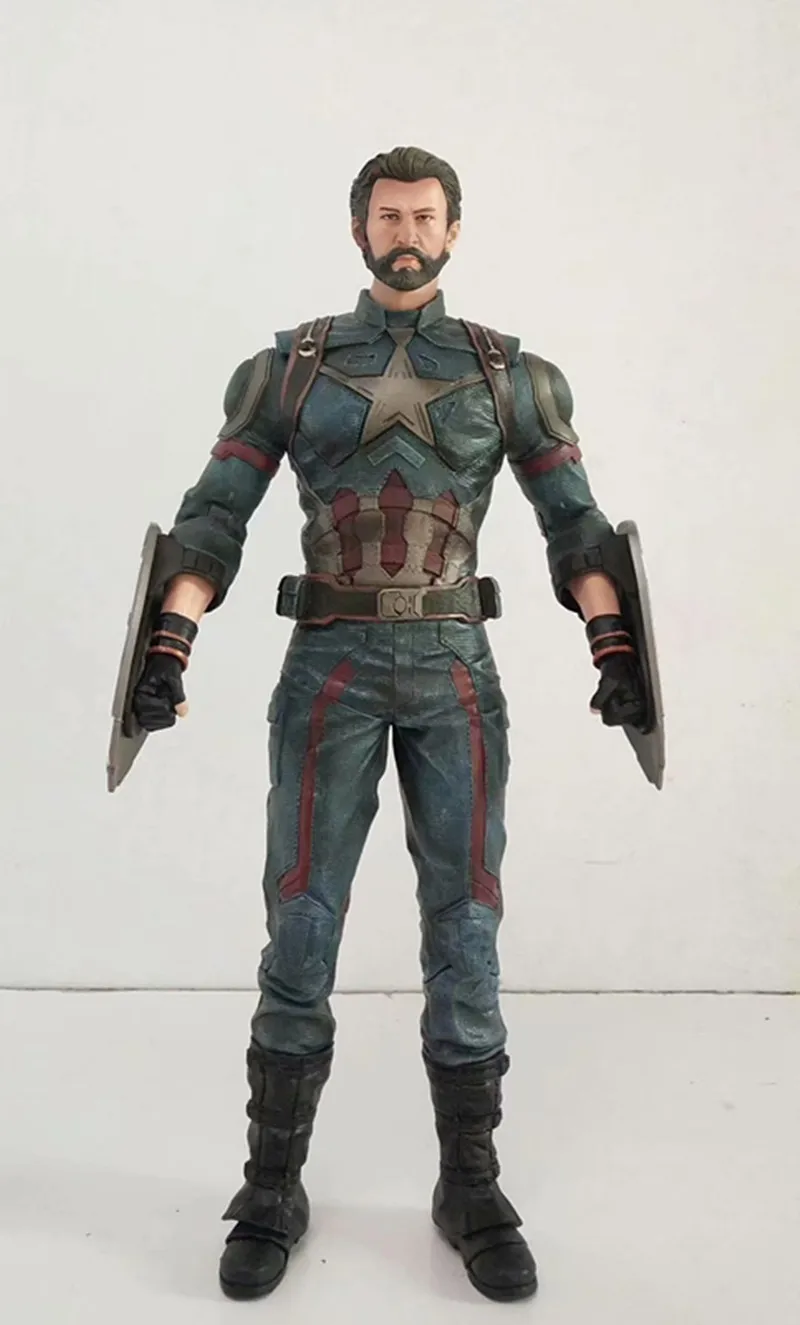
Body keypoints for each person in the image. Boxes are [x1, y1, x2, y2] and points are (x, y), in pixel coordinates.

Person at [132, 145, 645, 1304]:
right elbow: (214, 515)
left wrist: (609, 643)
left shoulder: (510, 374)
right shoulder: (289, 370)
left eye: (422, 215)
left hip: (454, 670)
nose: (404, 231)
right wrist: (170, 641)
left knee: (466, 922)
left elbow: (574, 523)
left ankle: (470, 1184)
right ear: (357, 228)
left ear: (452, 229)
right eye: (386, 214)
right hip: (330, 666)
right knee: (301, 916)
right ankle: (271, 1184)